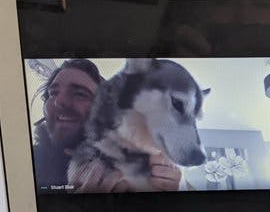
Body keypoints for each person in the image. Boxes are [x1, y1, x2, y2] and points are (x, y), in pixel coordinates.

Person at [32, 58, 181, 192]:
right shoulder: (27, 163)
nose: (59, 101)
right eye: (53, 93)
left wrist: (167, 188)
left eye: (80, 94)